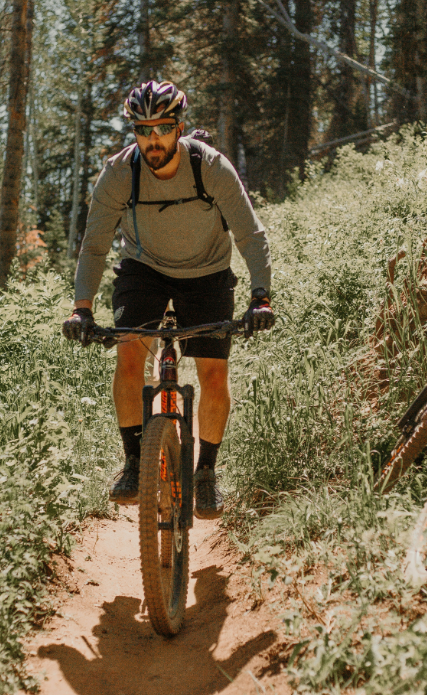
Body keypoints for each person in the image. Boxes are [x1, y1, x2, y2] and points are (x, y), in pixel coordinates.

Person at [63, 80, 274, 518]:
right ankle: (134, 461)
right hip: (145, 270)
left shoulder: (211, 167)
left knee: (214, 373)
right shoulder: (120, 173)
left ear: (179, 128)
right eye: (142, 130)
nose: (152, 139)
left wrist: (261, 296)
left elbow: (250, 234)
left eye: (161, 128)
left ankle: (207, 474)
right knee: (128, 356)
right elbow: (95, 244)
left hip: (208, 272)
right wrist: (81, 309)